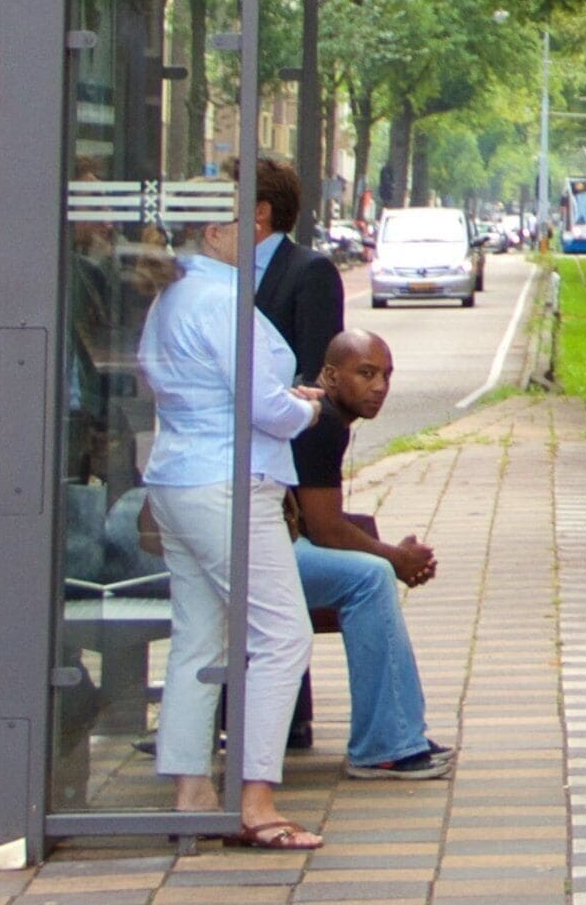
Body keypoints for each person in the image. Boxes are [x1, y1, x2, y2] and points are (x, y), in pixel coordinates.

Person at [137, 198, 330, 851]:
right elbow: (260, 407)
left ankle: (192, 794)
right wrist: (308, 410)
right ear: (215, 233)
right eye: (247, 223)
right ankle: (256, 802)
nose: (261, 232)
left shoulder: (175, 295)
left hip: (176, 479)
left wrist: (274, 402)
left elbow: (172, 381)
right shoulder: (222, 302)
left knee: (199, 639)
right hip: (229, 483)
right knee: (282, 635)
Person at [291, 330, 451, 779]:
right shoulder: (320, 423)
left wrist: (390, 555)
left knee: (371, 571)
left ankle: (399, 735)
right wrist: (395, 559)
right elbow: (325, 529)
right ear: (330, 375)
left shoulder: (323, 420)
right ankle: (386, 744)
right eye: (365, 373)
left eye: (386, 376)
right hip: (256, 551)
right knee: (370, 577)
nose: (379, 386)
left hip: (262, 543)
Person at [249, 160, 344, 380]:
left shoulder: (312, 273)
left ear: (260, 211)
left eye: (229, 203)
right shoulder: (222, 269)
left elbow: (318, 369)